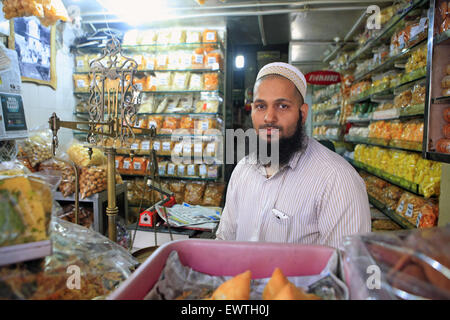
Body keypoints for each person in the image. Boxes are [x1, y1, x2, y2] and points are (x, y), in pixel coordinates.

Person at [215, 62, 371, 249]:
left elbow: (348, 268)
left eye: (282, 106)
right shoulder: (242, 170)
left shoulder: (337, 180)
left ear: (302, 114)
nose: (269, 117)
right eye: (260, 106)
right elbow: (224, 243)